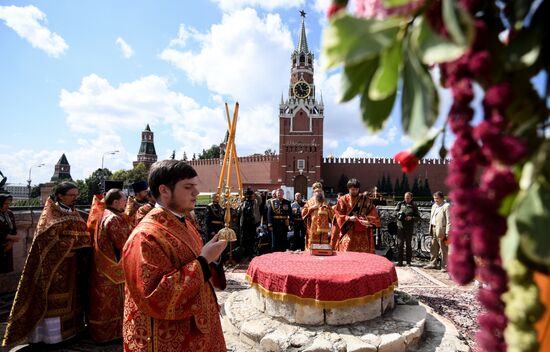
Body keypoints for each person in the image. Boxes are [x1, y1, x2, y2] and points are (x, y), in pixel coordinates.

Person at [122, 160, 227, 352]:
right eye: (188, 187)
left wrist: (213, 257)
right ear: (164, 190)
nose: (196, 192)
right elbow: (154, 295)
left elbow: (195, 259)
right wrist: (204, 261)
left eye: (196, 186)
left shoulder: (183, 222)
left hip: (198, 329)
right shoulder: (146, 236)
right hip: (170, 338)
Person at [2, 182, 91, 348]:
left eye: (76, 194)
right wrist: (72, 243)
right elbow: (44, 240)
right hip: (54, 269)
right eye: (72, 194)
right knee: (53, 303)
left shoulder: (73, 212)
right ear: (60, 196)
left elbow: (83, 233)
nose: (75, 198)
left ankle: (72, 332)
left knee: (73, 302)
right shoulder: (50, 214)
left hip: (73, 266)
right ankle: (52, 338)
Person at [88, 188, 132, 343]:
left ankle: (104, 333)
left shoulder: (105, 214)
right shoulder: (113, 219)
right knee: (111, 303)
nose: (126, 201)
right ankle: (111, 334)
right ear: (115, 202)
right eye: (124, 199)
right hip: (111, 270)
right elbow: (124, 244)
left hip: (103, 267)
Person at [333, 179, 381, 253]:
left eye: (356, 189)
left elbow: (374, 215)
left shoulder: (366, 200)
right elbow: (338, 215)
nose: (354, 191)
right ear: (348, 189)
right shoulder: (343, 200)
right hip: (348, 231)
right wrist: (349, 218)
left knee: (363, 253)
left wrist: (367, 221)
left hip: (363, 232)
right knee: (347, 250)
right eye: (352, 189)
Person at [424, 191, 451, 272]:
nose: (435, 200)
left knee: (444, 248)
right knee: (433, 247)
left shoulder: (447, 206)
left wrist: (447, 232)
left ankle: (445, 266)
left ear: (442, 198)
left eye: (437, 199)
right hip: (433, 229)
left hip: (442, 231)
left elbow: (449, 220)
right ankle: (433, 263)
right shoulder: (434, 206)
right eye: (434, 199)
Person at [301, 183, 334, 250]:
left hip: (324, 227)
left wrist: (327, 209)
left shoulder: (325, 201)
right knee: (313, 243)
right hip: (313, 226)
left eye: (320, 191)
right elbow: (303, 212)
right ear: (314, 192)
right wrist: (312, 208)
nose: (318, 193)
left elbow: (332, 212)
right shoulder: (310, 201)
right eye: (317, 191)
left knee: (323, 244)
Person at [394, 192, 420, 266]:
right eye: (405, 197)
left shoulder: (414, 205)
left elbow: (418, 217)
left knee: (408, 245)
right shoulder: (400, 204)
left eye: (408, 198)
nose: (406, 199)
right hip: (400, 227)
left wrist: (411, 218)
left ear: (411, 198)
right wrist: (398, 214)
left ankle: (408, 261)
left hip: (409, 227)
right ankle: (400, 261)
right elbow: (394, 212)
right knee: (400, 244)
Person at [0, 193, 19, 273]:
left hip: (8, 246)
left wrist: (11, 242)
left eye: (8, 203)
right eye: (5, 203)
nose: (7, 206)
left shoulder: (9, 213)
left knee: (6, 270)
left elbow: (14, 229)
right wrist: (10, 237)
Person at [239, 189, 257, 259]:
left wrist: (254, 193)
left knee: (252, 238)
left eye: (249, 195)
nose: (248, 197)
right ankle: (245, 253)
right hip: (244, 223)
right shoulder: (243, 203)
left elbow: (259, 199)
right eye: (248, 195)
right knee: (244, 238)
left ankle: (251, 253)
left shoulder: (255, 202)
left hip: (252, 223)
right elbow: (239, 211)